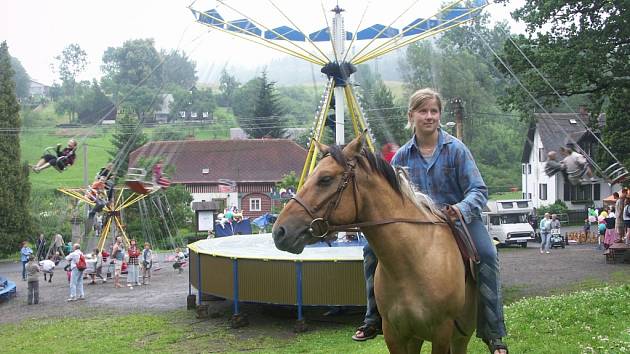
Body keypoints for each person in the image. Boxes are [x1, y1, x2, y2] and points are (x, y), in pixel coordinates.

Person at [354, 88, 508, 353]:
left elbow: (479, 190)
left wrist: (460, 208)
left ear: (439, 115)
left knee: (487, 253)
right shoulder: (402, 156)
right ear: (411, 115)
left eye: (434, 111)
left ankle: (493, 331)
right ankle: (373, 318)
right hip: (417, 226)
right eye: (423, 111)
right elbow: (395, 198)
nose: (429, 116)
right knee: (370, 250)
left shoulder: (456, 150)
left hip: (458, 220)